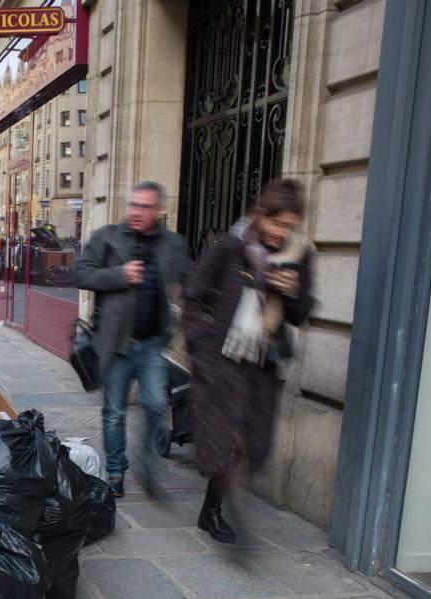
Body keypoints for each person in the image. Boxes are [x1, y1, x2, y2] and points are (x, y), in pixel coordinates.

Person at [180, 179, 315, 543]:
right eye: (277, 224)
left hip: (262, 363)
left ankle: (214, 507)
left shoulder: (298, 256)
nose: (282, 233)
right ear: (260, 216)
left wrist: (293, 292)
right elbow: (193, 296)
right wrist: (197, 343)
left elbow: (302, 314)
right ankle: (220, 510)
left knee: (248, 440)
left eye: (290, 226)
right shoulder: (229, 247)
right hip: (221, 360)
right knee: (229, 437)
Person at [72, 181, 192, 498]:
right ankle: (115, 473)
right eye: (133, 205)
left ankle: (149, 468)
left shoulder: (173, 244)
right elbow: (81, 274)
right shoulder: (108, 237)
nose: (137, 212)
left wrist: (181, 293)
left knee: (156, 404)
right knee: (114, 413)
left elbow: (187, 282)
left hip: (153, 343)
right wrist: (120, 275)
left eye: (145, 206)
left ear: (159, 210)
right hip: (115, 345)